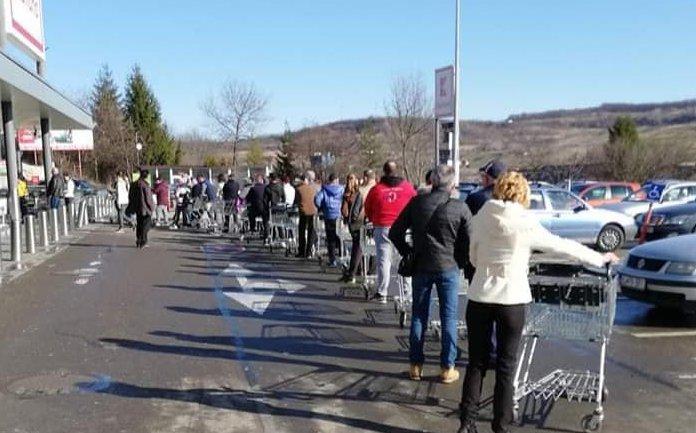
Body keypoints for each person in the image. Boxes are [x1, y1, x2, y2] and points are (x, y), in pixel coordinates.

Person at [458, 172, 618, 433]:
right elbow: (561, 246)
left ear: (497, 189)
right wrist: (600, 259)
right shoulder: (525, 222)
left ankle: (466, 423)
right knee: (506, 366)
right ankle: (500, 426)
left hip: (480, 296)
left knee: (476, 362)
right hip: (512, 299)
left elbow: (473, 257)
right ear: (523, 194)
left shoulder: (481, 217)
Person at [390, 165, 472, 385]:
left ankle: (415, 366)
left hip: (421, 266)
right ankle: (447, 367)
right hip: (448, 267)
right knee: (449, 317)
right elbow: (469, 242)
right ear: (452, 184)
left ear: (433, 182)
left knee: (419, 316)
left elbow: (394, 232)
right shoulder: (460, 208)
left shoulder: (416, 203)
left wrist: (408, 252)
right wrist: (460, 260)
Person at [364, 161, 416, 303]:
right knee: (405, 259)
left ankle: (382, 292)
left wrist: (374, 219)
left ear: (384, 171)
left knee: (383, 260)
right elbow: (416, 204)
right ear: (397, 171)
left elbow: (367, 208)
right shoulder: (407, 188)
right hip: (403, 228)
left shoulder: (376, 189)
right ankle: (407, 293)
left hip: (383, 227)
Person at [314, 173, 344, 267]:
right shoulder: (341, 189)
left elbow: (317, 200)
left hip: (328, 215)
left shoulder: (324, 190)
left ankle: (332, 260)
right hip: (339, 216)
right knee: (340, 236)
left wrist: (322, 208)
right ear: (336, 180)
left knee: (330, 239)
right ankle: (342, 255)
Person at [340, 173, 364, 282]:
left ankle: (356, 270)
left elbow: (344, 211)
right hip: (358, 223)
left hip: (350, 224)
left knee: (356, 245)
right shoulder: (358, 193)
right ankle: (353, 272)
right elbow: (355, 212)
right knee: (358, 247)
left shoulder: (346, 194)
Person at [127, 169, 155, 249]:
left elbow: (130, 196)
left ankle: (139, 240)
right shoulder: (145, 185)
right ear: (146, 176)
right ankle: (143, 240)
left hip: (137, 207)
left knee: (139, 224)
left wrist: (132, 205)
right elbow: (148, 198)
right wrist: (151, 207)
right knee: (146, 225)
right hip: (145, 208)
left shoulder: (134, 184)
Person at [295, 171, 318, 258]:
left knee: (301, 230)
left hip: (303, 211)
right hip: (313, 211)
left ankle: (301, 250)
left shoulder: (298, 189)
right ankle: (309, 251)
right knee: (311, 231)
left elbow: (296, 201)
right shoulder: (313, 189)